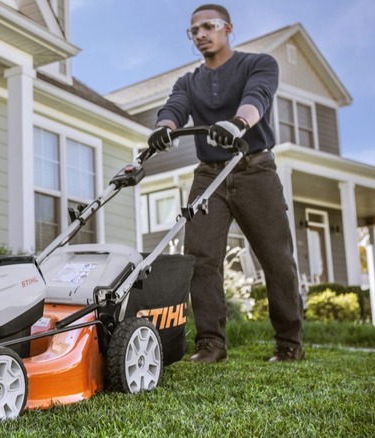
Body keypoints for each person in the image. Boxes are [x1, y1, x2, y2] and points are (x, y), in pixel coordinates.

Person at [148, 4, 304, 363]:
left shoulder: (259, 64)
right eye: (194, 30)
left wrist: (238, 123)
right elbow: (175, 106)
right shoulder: (189, 81)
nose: (201, 34)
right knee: (200, 257)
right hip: (210, 174)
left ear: (227, 28)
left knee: (276, 258)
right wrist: (164, 128)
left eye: (208, 26)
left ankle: (289, 343)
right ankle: (211, 344)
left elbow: (257, 98)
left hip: (255, 169)